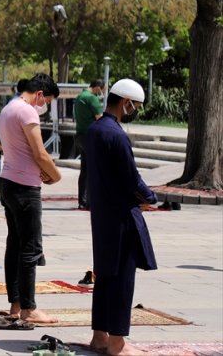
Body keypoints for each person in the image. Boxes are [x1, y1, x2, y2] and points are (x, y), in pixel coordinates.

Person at [86, 79, 157, 356]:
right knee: (122, 280)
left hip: (102, 215)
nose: (135, 111)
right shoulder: (116, 135)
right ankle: (116, 343)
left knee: (104, 276)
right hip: (122, 218)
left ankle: (99, 337)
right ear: (126, 102)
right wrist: (151, 197)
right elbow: (132, 179)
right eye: (135, 106)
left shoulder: (95, 130)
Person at [0, 73, 63, 325]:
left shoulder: (8, 109)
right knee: (30, 248)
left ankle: (15, 304)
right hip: (25, 187)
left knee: (15, 244)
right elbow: (40, 152)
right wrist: (55, 176)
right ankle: (28, 308)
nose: (44, 106)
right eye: (46, 100)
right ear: (39, 94)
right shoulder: (27, 111)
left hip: (9, 181)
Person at [74, 80, 106, 210]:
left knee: (85, 170)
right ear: (97, 87)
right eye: (102, 90)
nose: (102, 93)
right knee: (94, 169)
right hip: (91, 136)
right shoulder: (92, 98)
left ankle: (82, 200)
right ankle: (92, 201)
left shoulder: (80, 97)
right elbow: (100, 118)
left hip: (80, 136)